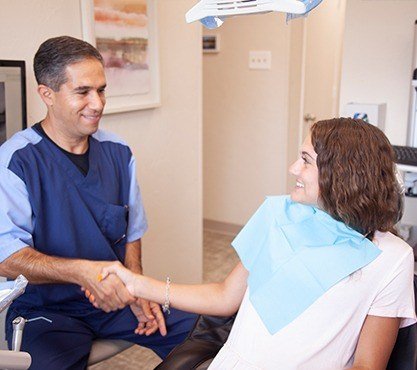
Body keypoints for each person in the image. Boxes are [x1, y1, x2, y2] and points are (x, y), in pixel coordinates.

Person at [102, 118, 417, 370]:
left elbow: (367, 365)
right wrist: (138, 285)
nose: (294, 168)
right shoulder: (278, 215)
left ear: (342, 174)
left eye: (306, 161)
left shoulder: (392, 258)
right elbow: (225, 296)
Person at [0, 36, 196, 369]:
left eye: (102, 90)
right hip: (47, 310)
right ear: (47, 94)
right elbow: (8, 260)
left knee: (208, 332)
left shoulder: (118, 152)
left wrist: (138, 290)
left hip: (117, 300)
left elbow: (132, 232)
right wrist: (83, 273)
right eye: (83, 92)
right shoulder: (15, 162)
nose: (98, 103)